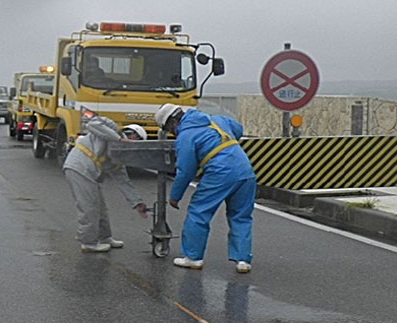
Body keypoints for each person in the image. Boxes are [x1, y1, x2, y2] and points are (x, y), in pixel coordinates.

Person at [156, 103, 255, 272]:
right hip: (245, 170)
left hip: (220, 172)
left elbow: (185, 170)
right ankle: (243, 261)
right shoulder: (216, 120)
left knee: (198, 212)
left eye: (169, 129)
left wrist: (175, 196)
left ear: (172, 123)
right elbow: (238, 129)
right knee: (241, 216)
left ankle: (193, 257)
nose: (172, 133)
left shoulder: (186, 136)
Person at [62, 114, 149, 252]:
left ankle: (105, 237)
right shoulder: (111, 130)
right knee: (89, 207)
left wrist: (137, 203)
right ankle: (88, 243)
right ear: (131, 134)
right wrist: (118, 138)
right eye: (135, 139)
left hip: (89, 173)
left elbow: (124, 182)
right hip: (79, 167)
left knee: (101, 207)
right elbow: (92, 124)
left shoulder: (119, 158)